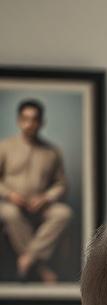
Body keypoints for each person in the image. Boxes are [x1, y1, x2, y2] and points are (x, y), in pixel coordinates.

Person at [0, 98, 72, 283]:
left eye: (34, 119)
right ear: (18, 121)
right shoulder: (5, 147)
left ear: (41, 122)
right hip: (11, 204)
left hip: (40, 206)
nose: (29, 124)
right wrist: (10, 194)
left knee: (63, 213)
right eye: (25, 119)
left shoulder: (52, 151)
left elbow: (61, 184)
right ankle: (39, 268)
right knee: (9, 213)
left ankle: (28, 259)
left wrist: (46, 198)